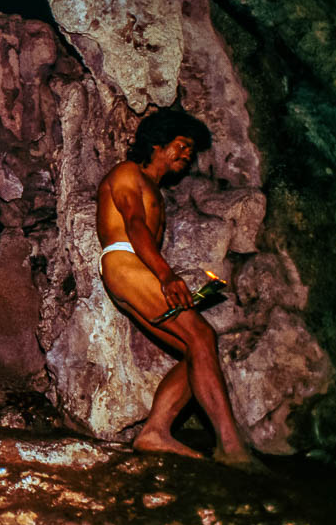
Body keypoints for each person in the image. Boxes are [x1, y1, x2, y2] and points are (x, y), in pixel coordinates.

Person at [97, 109, 260, 470]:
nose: (187, 156)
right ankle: (231, 447)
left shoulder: (153, 188)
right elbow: (135, 226)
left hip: (132, 269)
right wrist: (167, 277)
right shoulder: (128, 173)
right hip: (124, 262)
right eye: (181, 146)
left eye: (191, 150)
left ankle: (155, 432)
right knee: (201, 336)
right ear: (157, 143)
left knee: (197, 350)